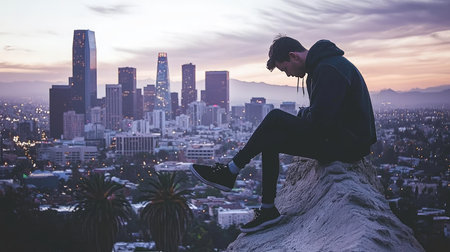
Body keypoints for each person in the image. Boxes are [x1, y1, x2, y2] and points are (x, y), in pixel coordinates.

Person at [190, 36, 377, 233]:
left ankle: (230, 172)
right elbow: (320, 115)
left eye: (284, 69)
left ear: (293, 56)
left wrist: (304, 114)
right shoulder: (321, 68)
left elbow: (320, 122)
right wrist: (307, 114)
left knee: (275, 117)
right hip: (340, 139)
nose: (288, 75)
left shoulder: (328, 68)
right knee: (270, 140)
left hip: (348, 145)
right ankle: (268, 209)